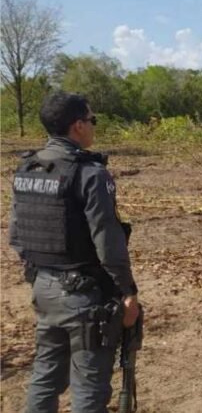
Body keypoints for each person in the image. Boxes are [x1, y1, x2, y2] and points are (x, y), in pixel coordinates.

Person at [9, 92, 139, 413]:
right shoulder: (90, 174)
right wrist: (127, 292)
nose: (94, 127)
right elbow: (109, 244)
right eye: (92, 120)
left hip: (43, 289)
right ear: (78, 126)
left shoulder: (27, 169)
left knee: (45, 377)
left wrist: (41, 276)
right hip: (83, 298)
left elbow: (16, 235)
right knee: (89, 391)